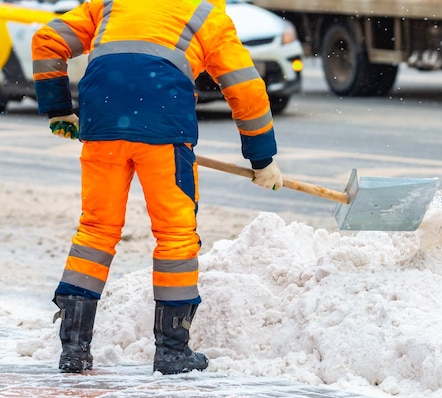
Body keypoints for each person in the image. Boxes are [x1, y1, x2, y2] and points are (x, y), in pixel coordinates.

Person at [32, 0, 283, 375]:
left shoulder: (110, 4)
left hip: (102, 121)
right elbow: (245, 89)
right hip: (164, 127)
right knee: (175, 236)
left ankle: (74, 348)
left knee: (96, 230)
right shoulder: (208, 15)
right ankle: (172, 352)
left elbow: (47, 38)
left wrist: (58, 109)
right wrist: (262, 159)